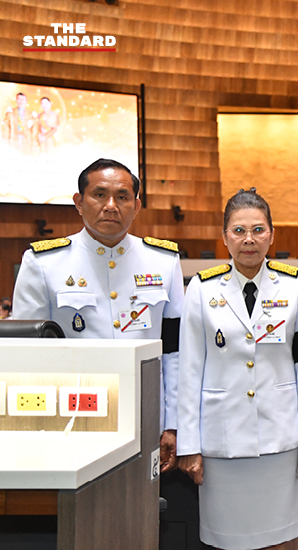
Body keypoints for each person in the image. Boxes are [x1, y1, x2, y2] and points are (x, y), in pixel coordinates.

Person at [177, 187, 298, 550]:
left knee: (283, 537)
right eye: (239, 231)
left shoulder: (296, 286)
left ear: (272, 235)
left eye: (258, 230)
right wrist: (189, 444)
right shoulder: (200, 288)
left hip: (281, 438)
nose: (249, 240)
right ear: (225, 235)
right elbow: (189, 370)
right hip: (221, 440)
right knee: (227, 538)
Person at [12, 157, 183, 469]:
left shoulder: (163, 261)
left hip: (146, 415)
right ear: (79, 202)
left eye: (122, 197)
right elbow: (26, 356)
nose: (111, 206)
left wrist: (172, 422)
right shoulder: (43, 263)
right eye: (99, 195)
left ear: (137, 205)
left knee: (141, 510)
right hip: (72, 416)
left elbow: (174, 350)